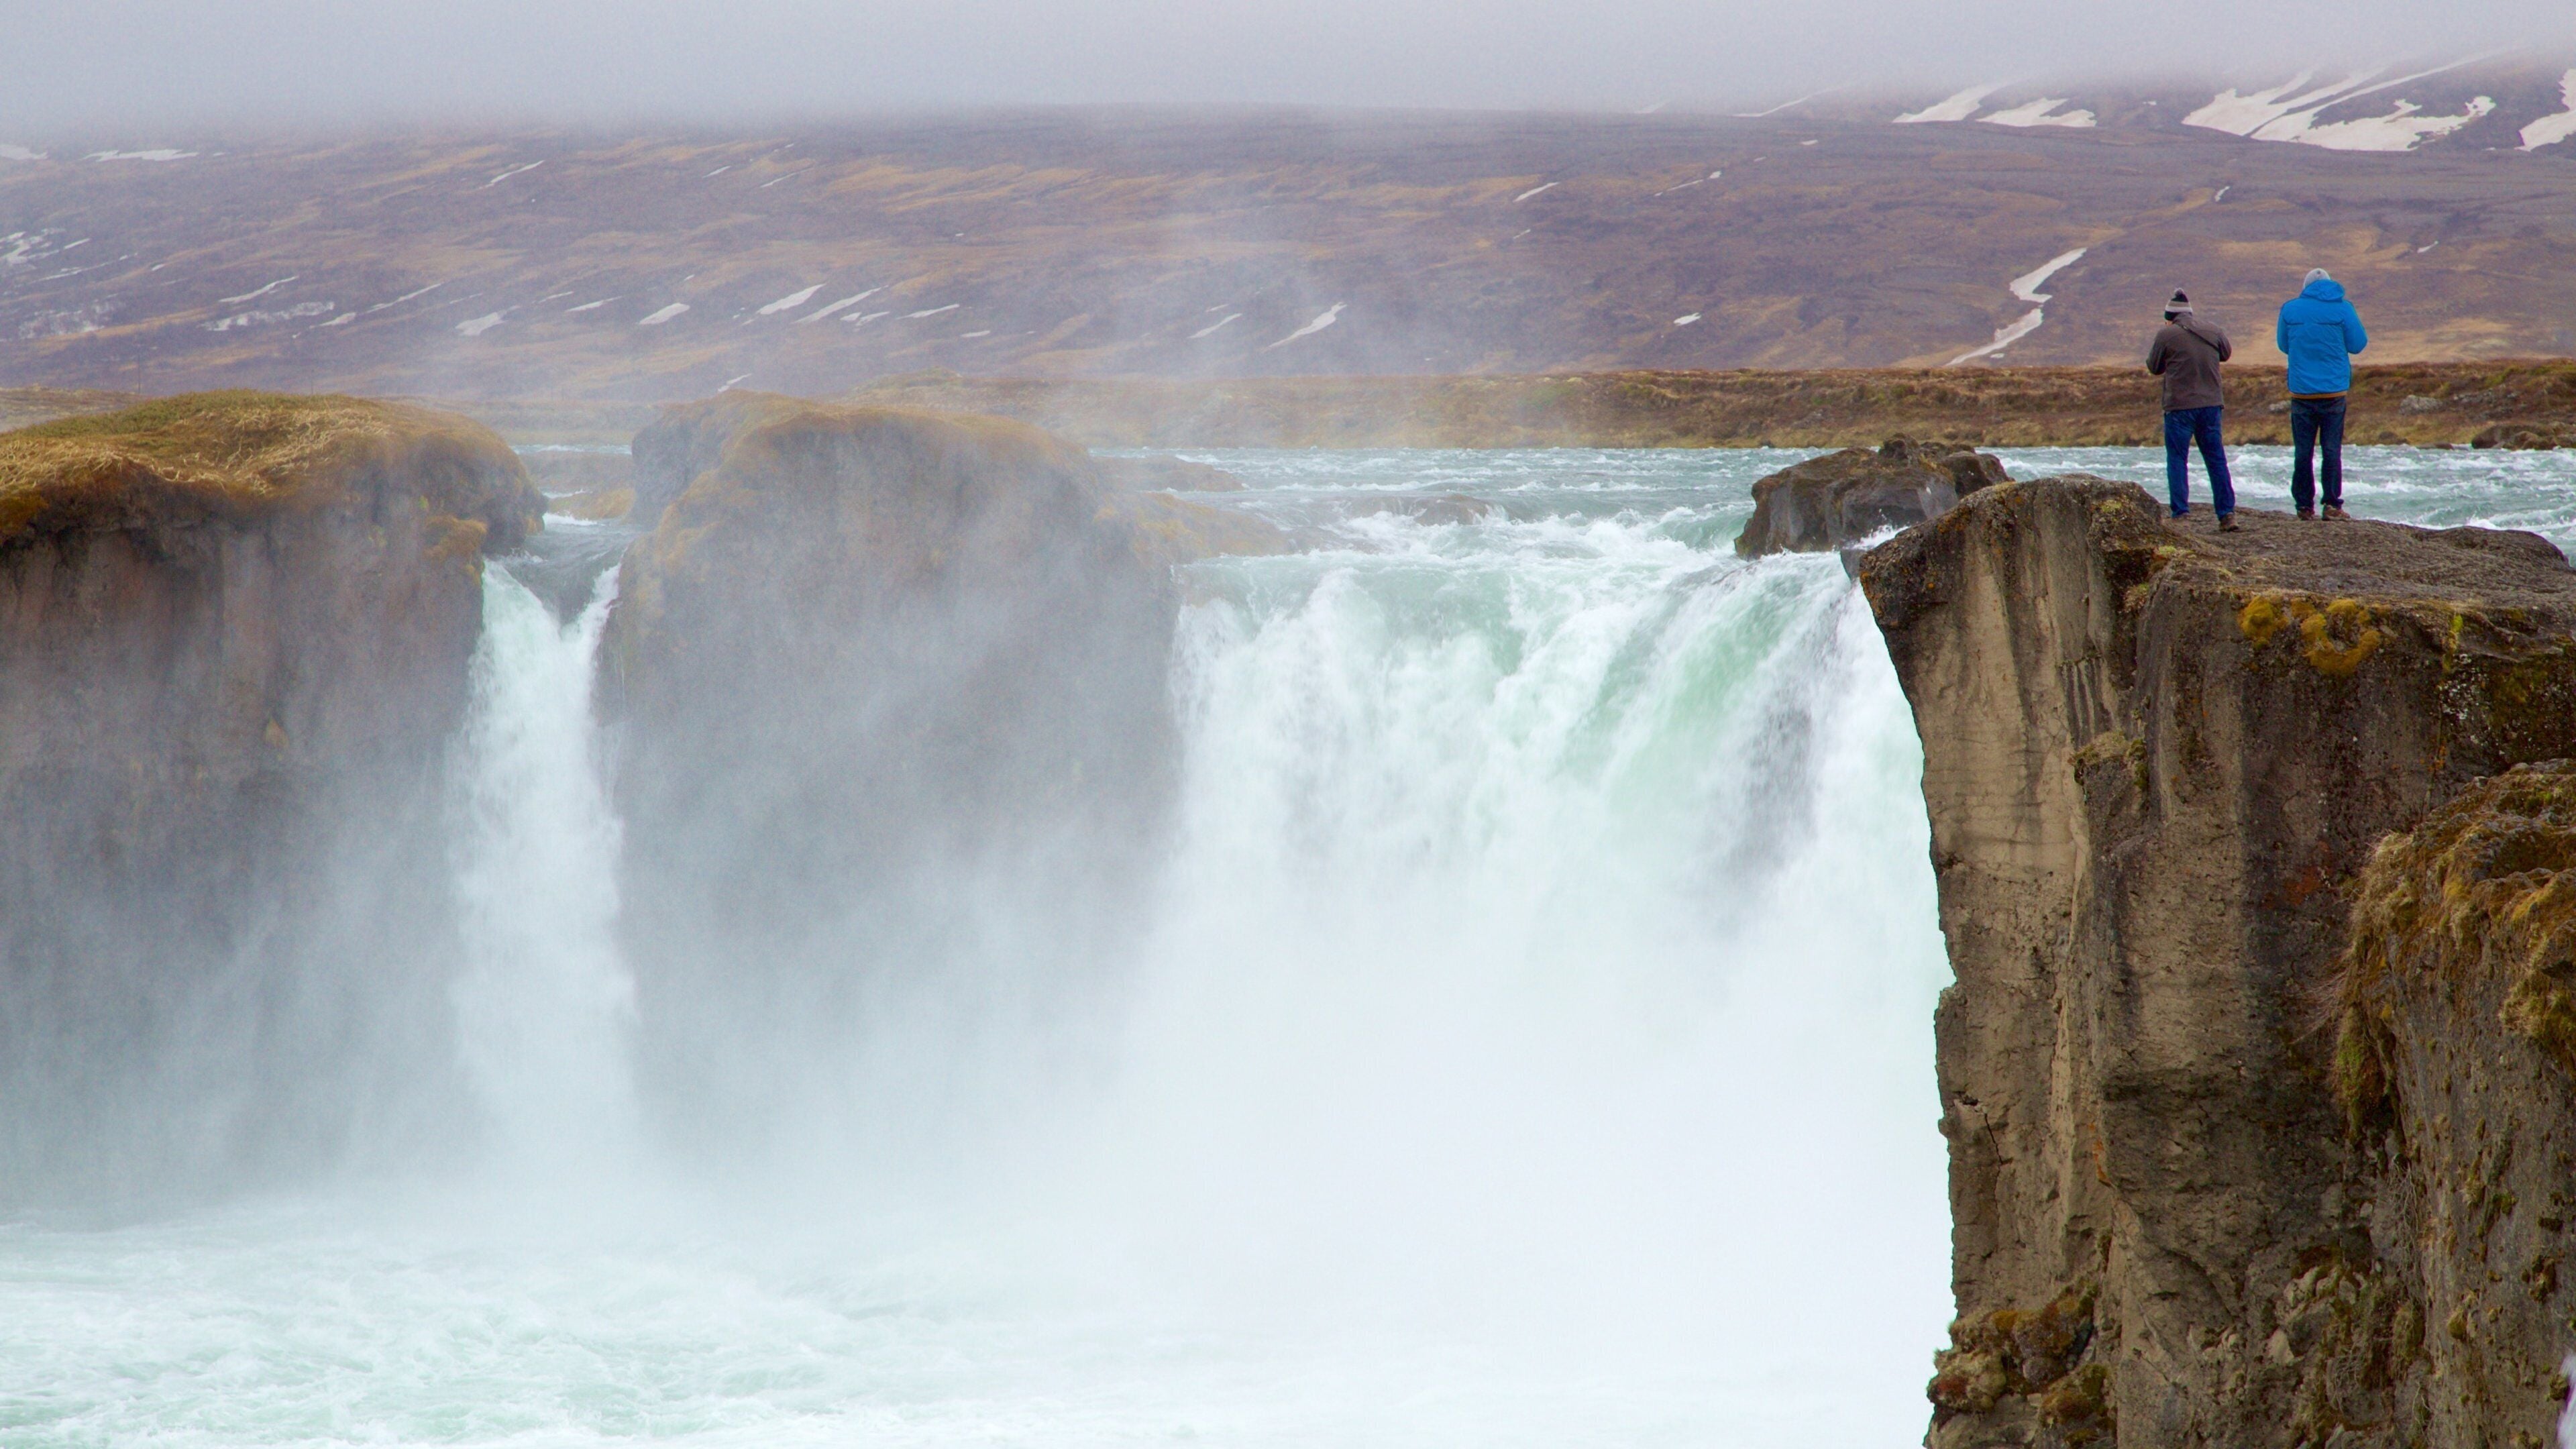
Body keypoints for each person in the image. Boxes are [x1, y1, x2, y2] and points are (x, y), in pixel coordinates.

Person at [2275, 267, 2369, 520]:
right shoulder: (2344, 309)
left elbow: (2284, 345)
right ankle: (2332, 505)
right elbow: (2358, 345)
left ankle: (2304, 506)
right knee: (2331, 449)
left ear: (2305, 287)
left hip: (2302, 392)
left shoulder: (2290, 309)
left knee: (2303, 451)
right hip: (2333, 391)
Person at [2145, 288, 2237, 531]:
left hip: (2179, 407)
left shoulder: (2166, 335)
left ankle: (2181, 514)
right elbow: (2226, 354)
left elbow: (2154, 367)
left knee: (2177, 459)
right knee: (2216, 459)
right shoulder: (2213, 330)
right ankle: (2227, 514)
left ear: (2169, 316)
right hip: (2211, 405)